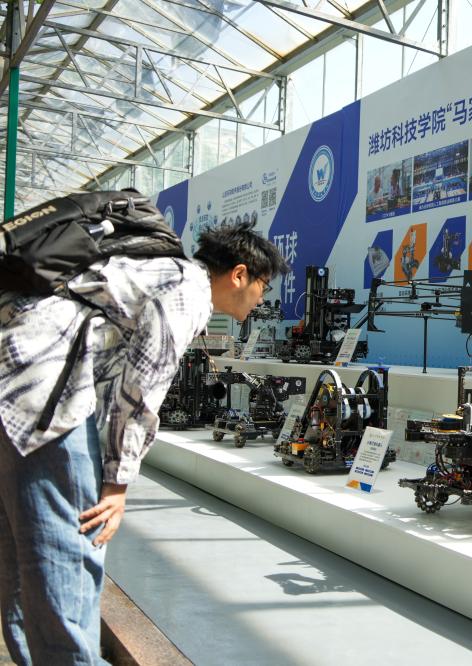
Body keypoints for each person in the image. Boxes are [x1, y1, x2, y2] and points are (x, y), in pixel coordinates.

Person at [0, 219, 288, 665]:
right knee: (70, 552)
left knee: (22, 554)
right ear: (239, 274)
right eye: (263, 286)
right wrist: (116, 484)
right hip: (45, 391)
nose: (262, 299)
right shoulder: (187, 290)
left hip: (13, 381)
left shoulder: (157, 271)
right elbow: (141, 391)